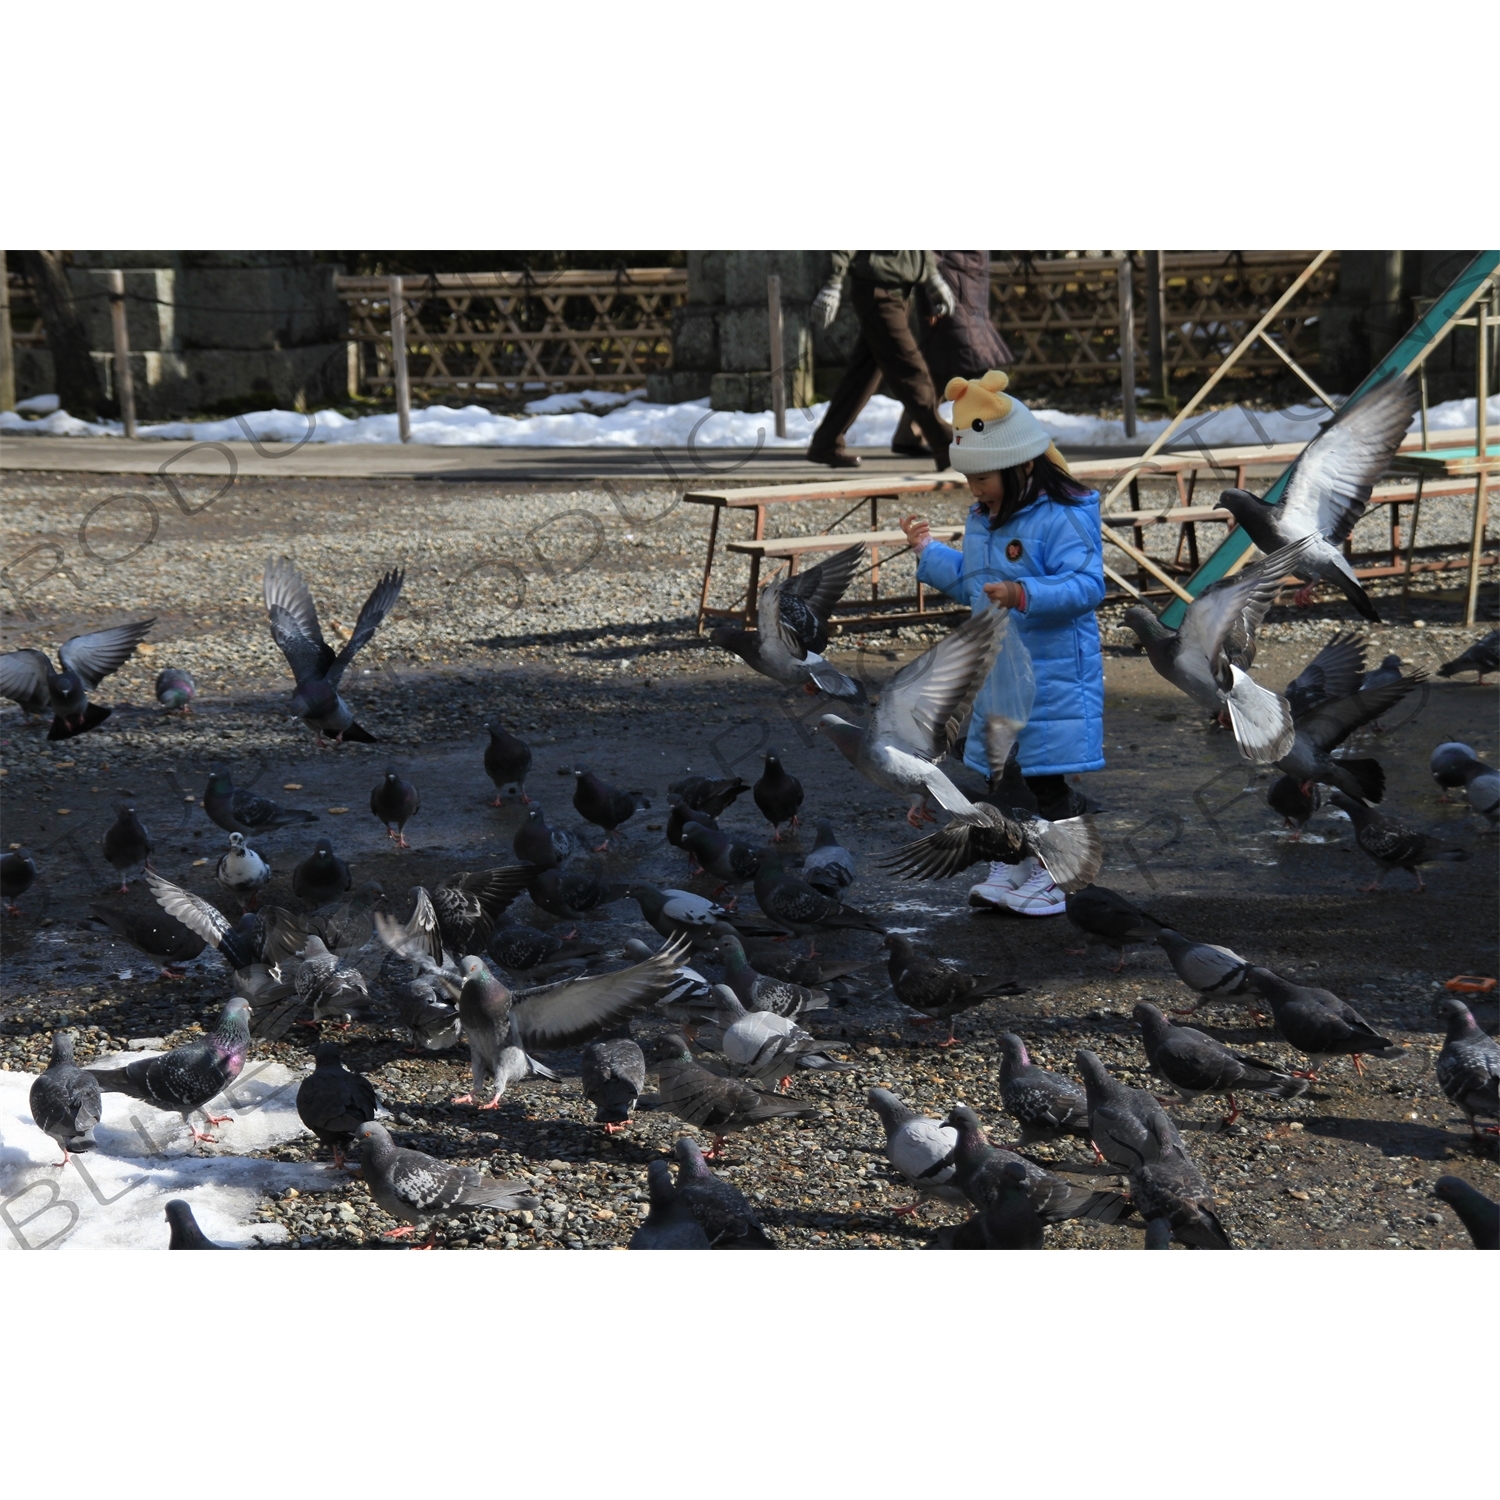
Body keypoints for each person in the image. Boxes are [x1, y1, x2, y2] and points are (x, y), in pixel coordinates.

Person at [899, 370, 1105, 917]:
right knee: (1003, 772)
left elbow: (1088, 586)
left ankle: (1057, 875)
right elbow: (974, 581)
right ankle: (1013, 863)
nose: (975, 490)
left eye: (983, 478)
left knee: (1046, 780)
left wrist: (1022, 591)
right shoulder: (985, 519)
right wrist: (929, 553)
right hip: (999, 671)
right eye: (969, 480)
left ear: (1023, 466)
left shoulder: (1064, 517)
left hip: (1053, 671)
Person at [807, 252, 955, 470]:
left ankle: (826, 442)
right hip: (878, 291)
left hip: (899, 292)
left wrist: (932, 277)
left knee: (863, 374)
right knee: (910, 370)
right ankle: (944, 443)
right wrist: (832, 284)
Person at [891, 251, 1014, 458]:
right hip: (948, 288)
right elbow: (928, 254)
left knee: (942, 368)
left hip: (968, 287)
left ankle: (909, 432)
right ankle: (994, 432)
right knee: (974, 364)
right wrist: (932, 300)